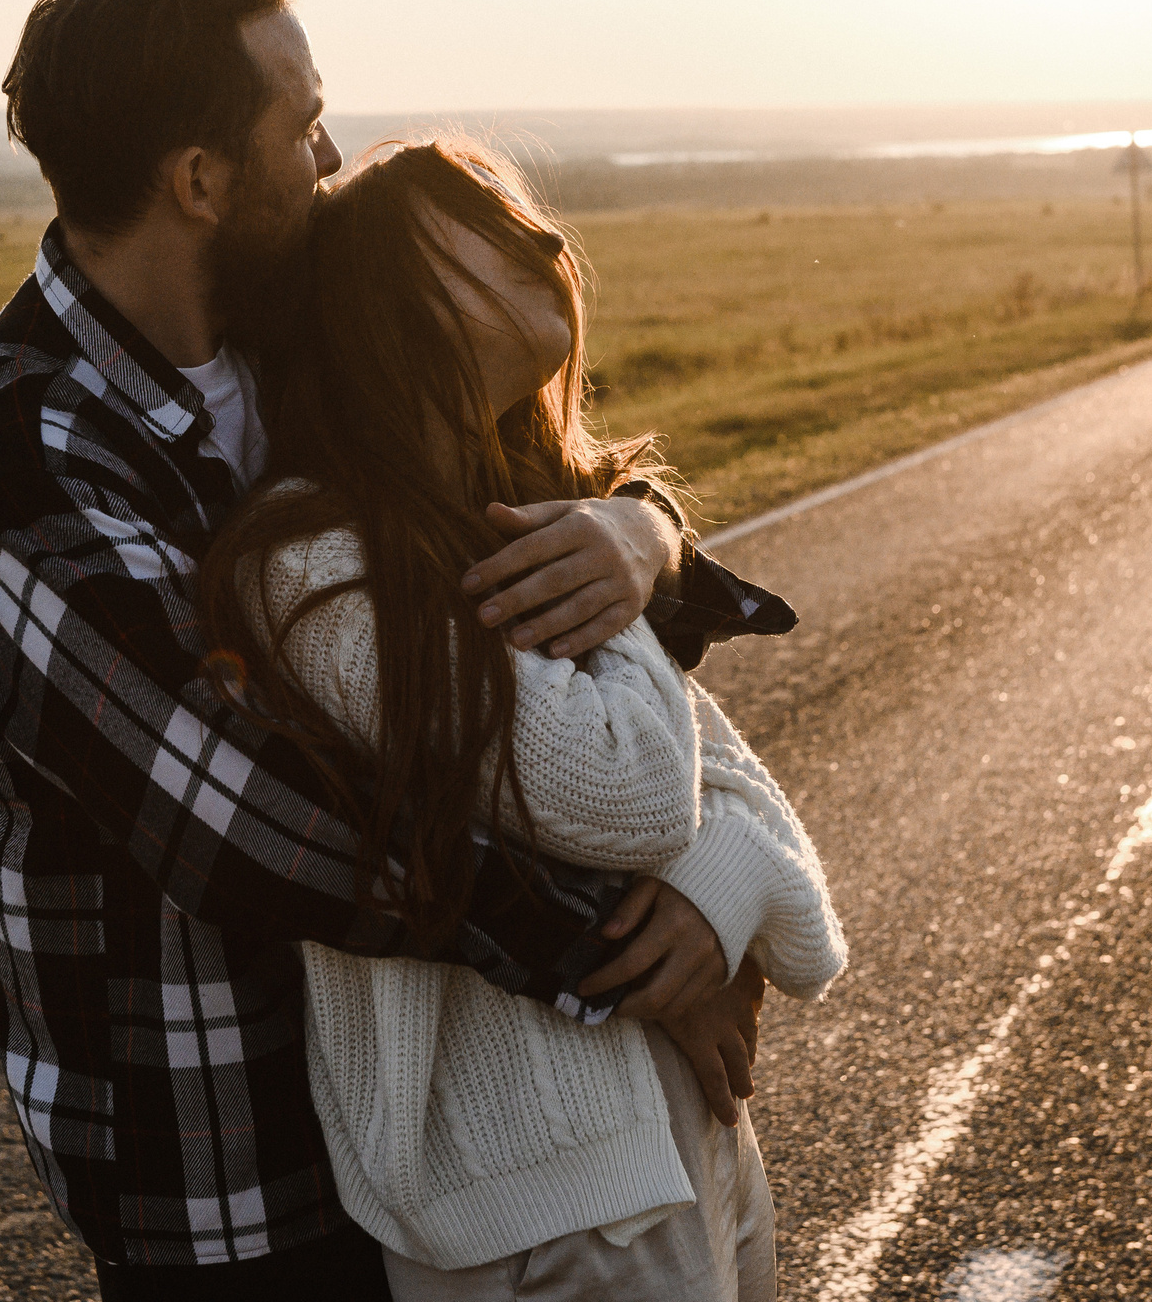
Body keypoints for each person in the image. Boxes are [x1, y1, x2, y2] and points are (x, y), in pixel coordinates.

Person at [0, 0, 796, 1298]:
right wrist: (633, 960)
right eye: (307, 123)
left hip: (411, 1125)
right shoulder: (27, 453)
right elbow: (266, 825)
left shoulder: (291, 338)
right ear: (201, 180)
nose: (331, 160)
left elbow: (518, 532)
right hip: (224, 1165)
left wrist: (642, 537)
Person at [202, 140, 844, 1300]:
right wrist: (624, 551)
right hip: (535, 1202)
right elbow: (634, 787)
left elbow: (732, 782)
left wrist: (727, 882)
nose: (544, 242)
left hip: (674, 1127)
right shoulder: (314, 568)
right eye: (485, 226)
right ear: (387, 308)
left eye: (521, 216)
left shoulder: (504, 510)